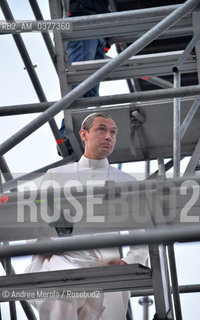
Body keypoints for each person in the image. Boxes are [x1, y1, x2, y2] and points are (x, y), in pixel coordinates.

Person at [26, 112, 148, 320]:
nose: (109, 136)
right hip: (64, 258)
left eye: (113, 132)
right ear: (83, 134)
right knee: (60, 301)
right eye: (101, 129)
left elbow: (144, 231)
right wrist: (42, 243)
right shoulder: (56, 176)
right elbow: (34, 217)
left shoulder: (127, 182)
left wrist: (129, 262)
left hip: (106, 265)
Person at [59, 0, 111, 149]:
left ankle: (82, 134)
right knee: (80, 85)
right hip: (84, 22)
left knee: (91, 93)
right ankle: (66, 135)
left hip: (99, 28)